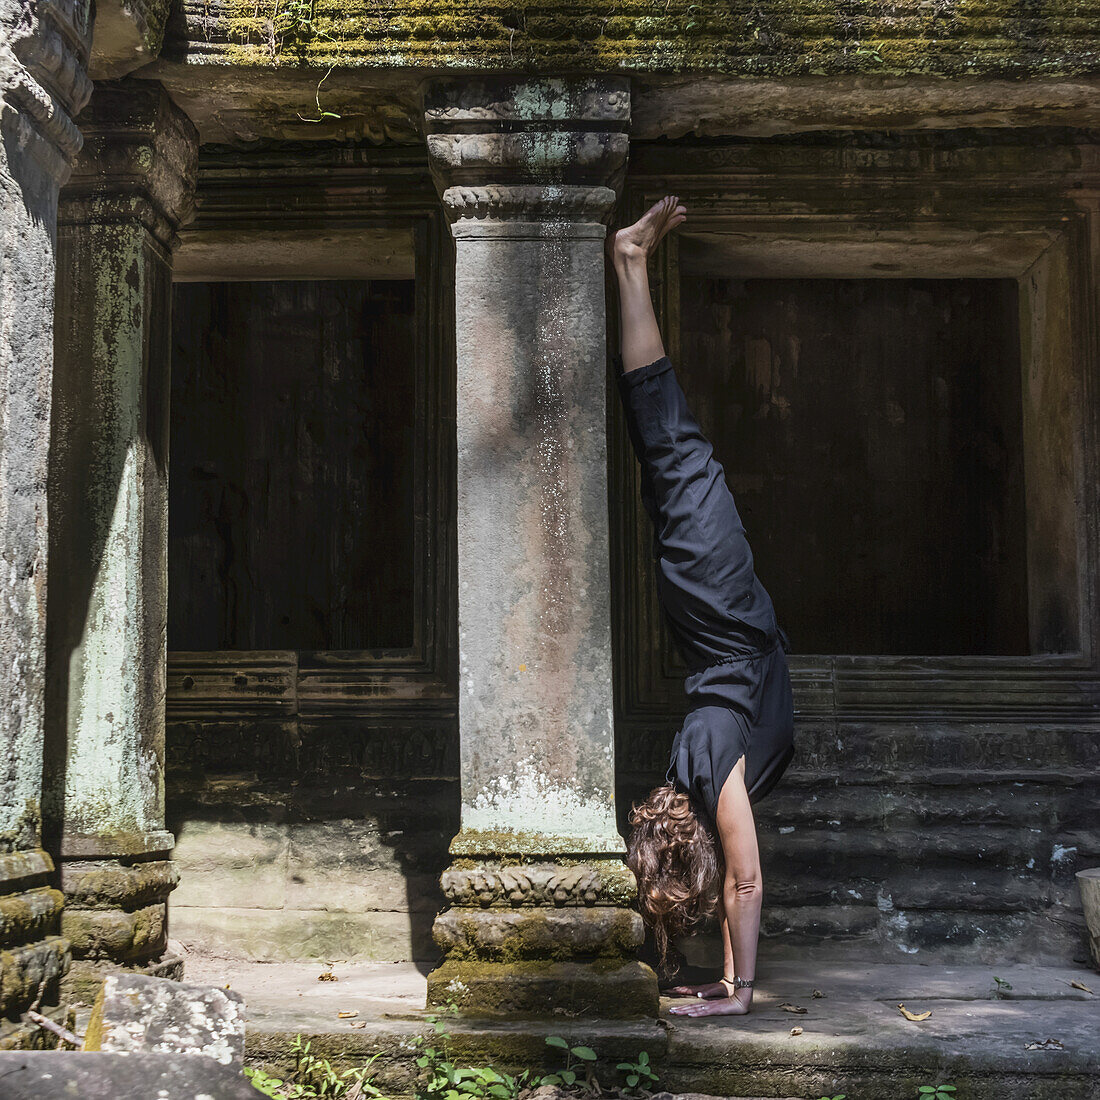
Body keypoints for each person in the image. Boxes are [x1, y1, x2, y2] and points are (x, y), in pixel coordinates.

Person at [609, 196, 796, 1018]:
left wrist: (730, 988)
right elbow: (741, 879)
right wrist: (733, 988)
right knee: (668, 455)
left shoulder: (713, 766)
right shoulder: (710, 770)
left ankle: (630, 266)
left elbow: (742, 880)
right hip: (722, 618)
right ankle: (630, 264)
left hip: (721, 621)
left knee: (668, 457)